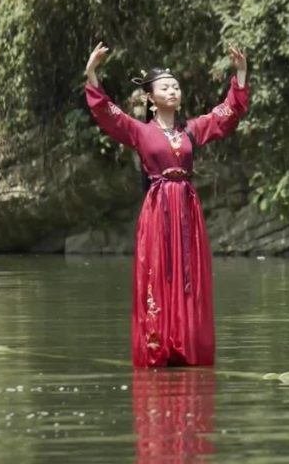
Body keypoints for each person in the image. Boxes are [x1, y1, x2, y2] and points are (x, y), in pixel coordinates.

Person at [84, 41, 249, 367]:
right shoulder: (139, 131)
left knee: (189, 275)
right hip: (157, 209)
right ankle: (159, 346)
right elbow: (105, 111)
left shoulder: (192, 130)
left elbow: (227, 114)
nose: (173, 90)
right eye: (165, 87)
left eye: (175, 86)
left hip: (187, 208)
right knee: (158, 273)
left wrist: (241, 72)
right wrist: (91, 72)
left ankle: (187, 345)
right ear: (150, 97)